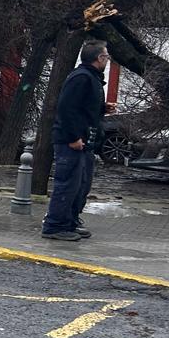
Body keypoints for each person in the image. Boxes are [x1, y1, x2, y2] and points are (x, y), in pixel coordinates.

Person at [42, 40, 112, 242]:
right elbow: (66, 109)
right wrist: (73, 138)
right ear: (99, 58)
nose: (107, 60)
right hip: (71, 141)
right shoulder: (81, 77)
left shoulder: (92, 78)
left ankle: (70, 221)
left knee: (81, 184)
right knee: (68, 184)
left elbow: (81, 107)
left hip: (85, 141)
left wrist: (102, 108)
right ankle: (55, 225)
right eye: (106, 56)